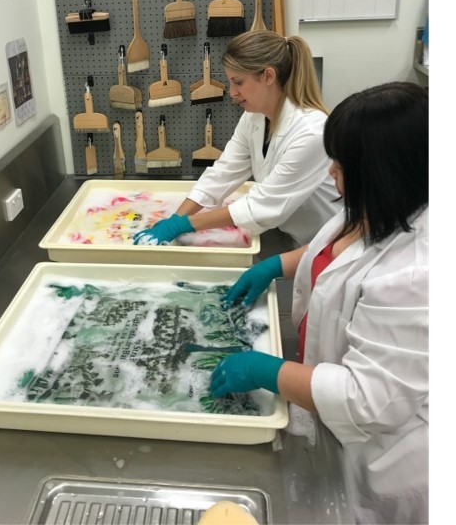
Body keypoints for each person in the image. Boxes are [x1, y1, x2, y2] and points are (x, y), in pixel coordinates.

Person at [210, 81, 429, 525]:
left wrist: (264, 370)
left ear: (384, 172)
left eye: (341, 165)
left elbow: (368, 400)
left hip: (384, 458)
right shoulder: (379, 205)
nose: (331, 174)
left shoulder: (416, 276)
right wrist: (276, 266)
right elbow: (338, 250)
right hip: (330, 420)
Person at [132, 30, 339, 247]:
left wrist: (184, 225)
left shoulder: (310, 133)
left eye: (238, 82)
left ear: (268, 76)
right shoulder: (254, 117)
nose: (232, 92)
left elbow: (262, 205)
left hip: (326, 241)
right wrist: (175, 219)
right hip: (289, 233)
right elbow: (224, 172)